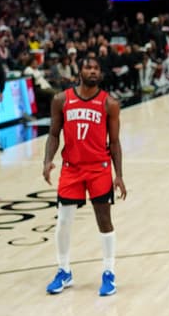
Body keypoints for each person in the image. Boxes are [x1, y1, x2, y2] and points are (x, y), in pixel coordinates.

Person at [43, 56, 128, 296]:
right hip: (71, 168)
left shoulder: (109, 103)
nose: (92, 71)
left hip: (98, 168)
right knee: (63, 221)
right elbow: (53, 134)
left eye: (96, 68)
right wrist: (47, 160)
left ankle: (109, 273)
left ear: (100, 73)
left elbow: (115, 142)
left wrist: (119, 175)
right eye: (88, 68)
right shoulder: (61, 100)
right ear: (79, 71)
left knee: (104, 220)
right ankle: (64, 271)